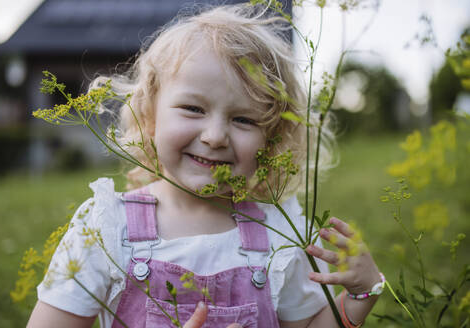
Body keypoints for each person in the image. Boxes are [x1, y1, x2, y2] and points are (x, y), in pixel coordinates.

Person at [27, 4, 382, 328]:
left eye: (244, 119)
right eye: (193, 109)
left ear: (271, 139)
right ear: (150, 116)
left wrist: (361, 294)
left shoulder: (280, 234)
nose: (215, 136)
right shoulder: (105, 229)